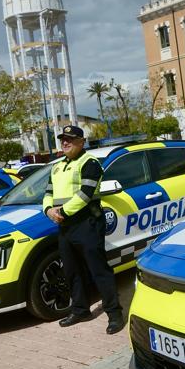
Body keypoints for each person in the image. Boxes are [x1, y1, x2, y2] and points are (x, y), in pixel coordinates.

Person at [43, 125, 124, 334]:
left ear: (81, 141)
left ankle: (114, 314)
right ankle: (80, 310)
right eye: (62, 139)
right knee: (72, 270)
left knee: (99, 270)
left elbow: (86, 193)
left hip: (87, 223)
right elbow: (47, 193)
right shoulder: (57, 167)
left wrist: (62, 212)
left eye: (70, 139)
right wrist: (48, 210)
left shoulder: (90, 163)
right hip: (65, 226)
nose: (65, 142)